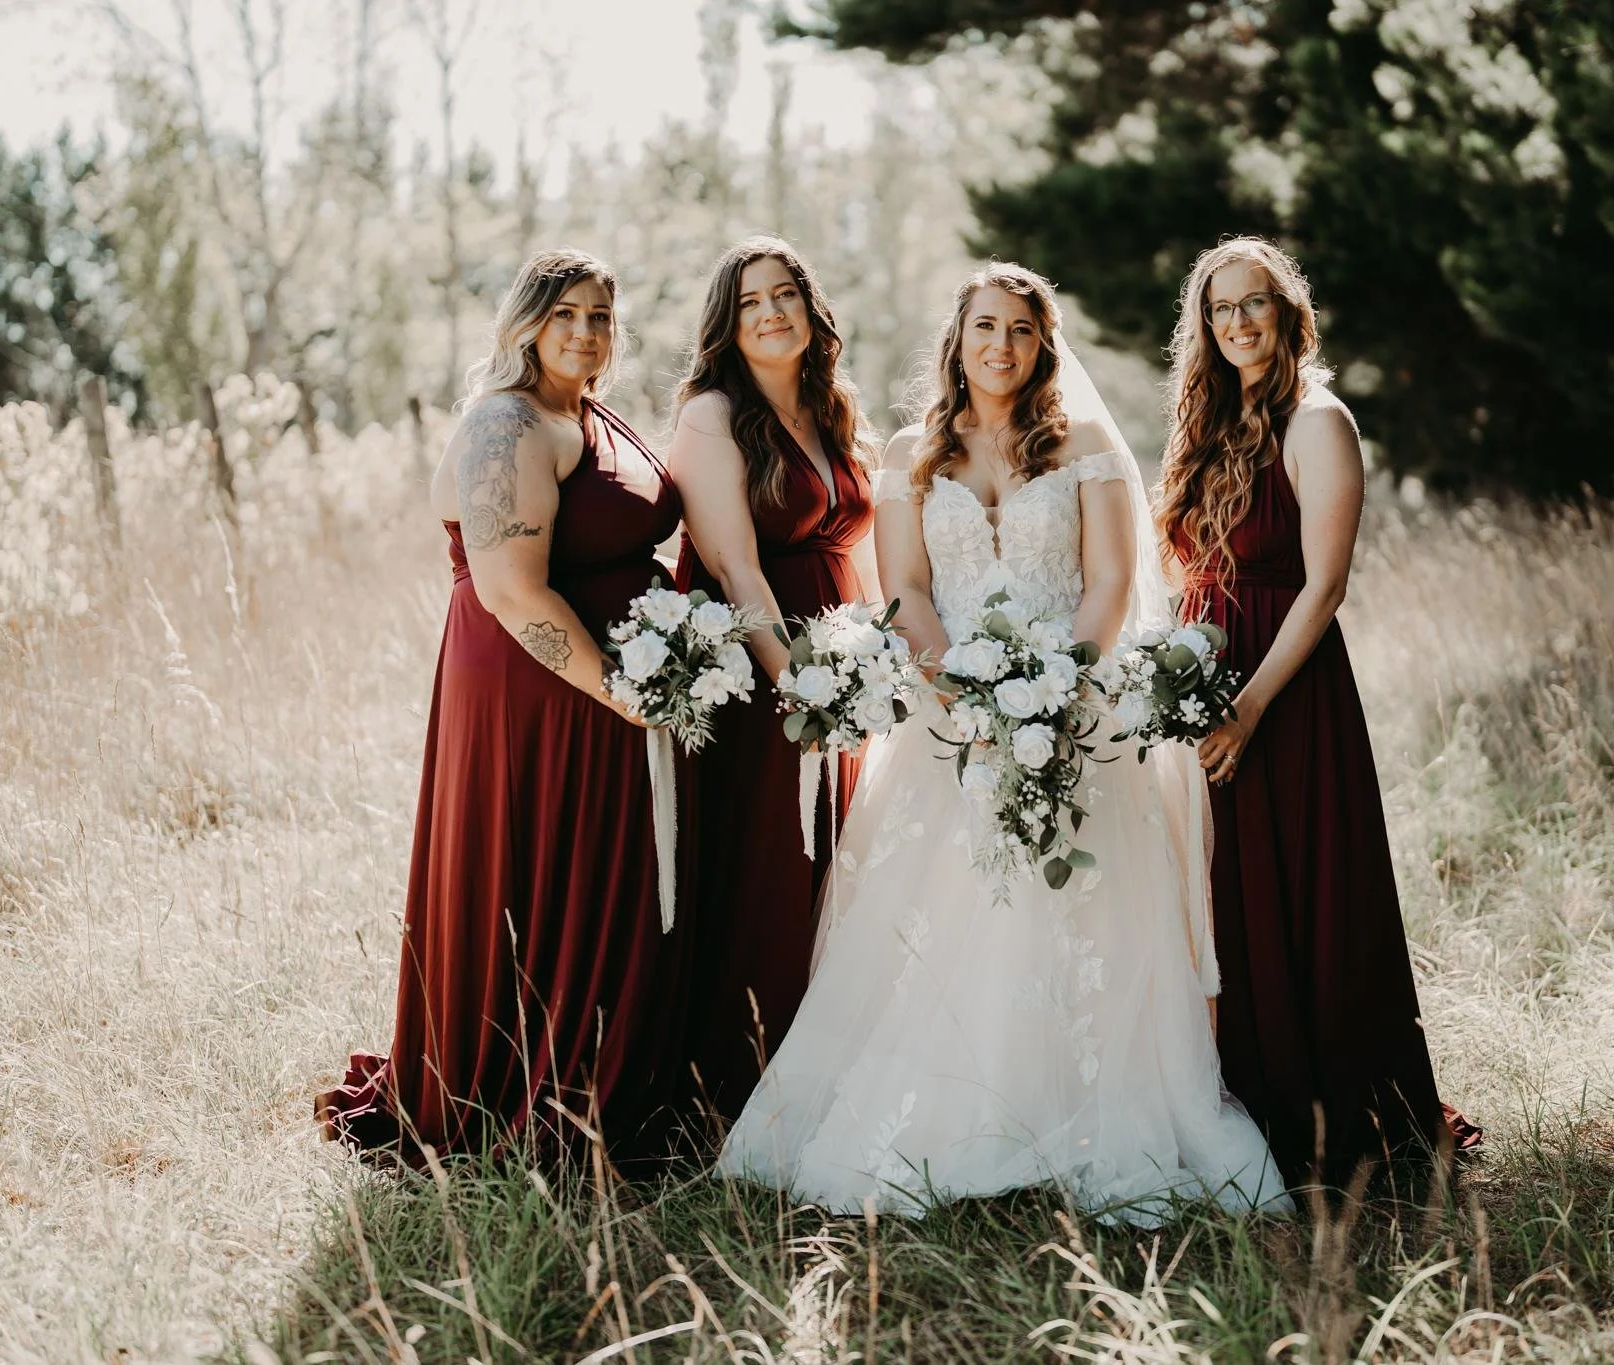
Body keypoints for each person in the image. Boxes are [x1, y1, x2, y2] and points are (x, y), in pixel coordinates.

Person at [715, 263, 1286, 1223]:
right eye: (986, 327)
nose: (1001, 347)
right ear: (958, 337)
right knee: (939, 919)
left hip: (1073, 707)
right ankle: (955, 1120)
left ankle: (1076, 1116)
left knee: (1081, 916)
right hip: (949, 720)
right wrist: (969, 697)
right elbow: (908, 591)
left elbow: (1108, 583)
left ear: (1044, 343)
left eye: (1022, 330)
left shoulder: (1087, 446)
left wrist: (1051, 696)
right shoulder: (911, 453)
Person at [317, 249, 693, 1170]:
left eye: (602, 315)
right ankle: (520, 1092)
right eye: (566, 313)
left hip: (605, 686)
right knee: (539, 871)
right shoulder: (507, 424)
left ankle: (610, 1075)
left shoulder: (585, 412)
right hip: (541, 692)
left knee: (598, 879)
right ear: (524, 321)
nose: (585, 331)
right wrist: (619, 688)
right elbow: (516, 594)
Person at [1156, 236, 1481, 1185]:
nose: (1238, 323)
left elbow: (1324, 586)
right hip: (1209, 685)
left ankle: (1343, 1119)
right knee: (1228, 898)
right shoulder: (1215, 423)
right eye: (1220, 310)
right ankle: (1249, 1102)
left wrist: (1249, 709)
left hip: (1285, 694)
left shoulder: (1316, 421)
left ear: (1287, 311)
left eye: (1254, 303)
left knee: (1306, 894)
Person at [666, 236, 876, 1124]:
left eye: (786, 294)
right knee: (767, 863)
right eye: (751, 301)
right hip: (759, 672)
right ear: (728, 320)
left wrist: (866, 658)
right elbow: (737, 569)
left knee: (832, 854)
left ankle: (821, 1064)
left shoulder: (833, 407)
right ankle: (738, 1080)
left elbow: (852, 539)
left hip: (836, 650)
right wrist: (800, 686)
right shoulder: (712, 414)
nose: (772, 313)